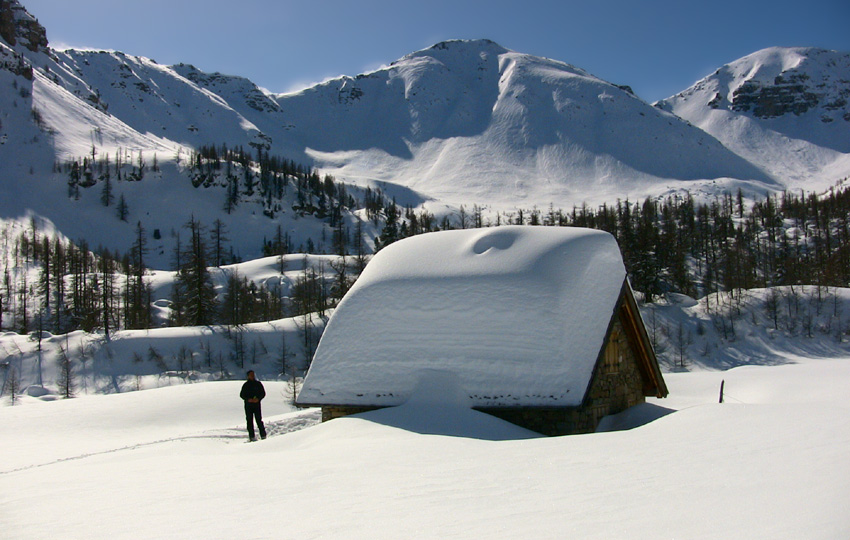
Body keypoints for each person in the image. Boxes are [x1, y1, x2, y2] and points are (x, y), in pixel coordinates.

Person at [240, 370, 266, 441]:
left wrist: (258, 399)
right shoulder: (246, 385)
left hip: (257, 405)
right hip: (248, 405)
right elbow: (242, 395)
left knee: (259, 420)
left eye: (253, 374)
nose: (252, 376)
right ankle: (251, 436)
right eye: (251, 375)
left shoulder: (258, 384)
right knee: (249, 421)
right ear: (248, 376)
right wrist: (248, 399)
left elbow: (263, 393)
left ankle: (263, 435)